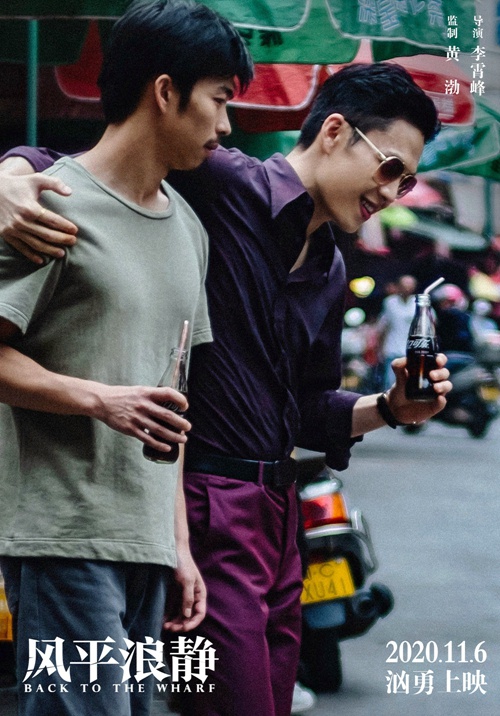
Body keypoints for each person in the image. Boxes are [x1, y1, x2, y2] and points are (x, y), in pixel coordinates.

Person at [0, 62, 452, 716]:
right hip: (195, 499)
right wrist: (10, 175)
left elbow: (303, 409)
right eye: (389, 168)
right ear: (334, 132)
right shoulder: (223, 183)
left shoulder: (329, 267)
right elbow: (83, 163)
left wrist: (389, 408)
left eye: (407, 182)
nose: (392, 193)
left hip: (278, 514)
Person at [0, 2, 252, 715]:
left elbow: (170, 403)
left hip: (145, 546)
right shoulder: (47, 203)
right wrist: (100, 400)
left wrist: (177, 544)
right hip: (62, 536)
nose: (227, 126)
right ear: (166, 92)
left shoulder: (190, 229)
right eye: (220, 100)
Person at [377, 274, 418, 389]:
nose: (407, 288)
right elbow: (384, 326)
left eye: (410, 285)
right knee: (390, 385)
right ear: (398, 286)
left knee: (411, 384)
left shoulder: (419, 302)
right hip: (392, 350)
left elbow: (432, 323)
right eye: (404, 285)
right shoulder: (389, 303)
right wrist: (380, 349)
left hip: (413, 351)